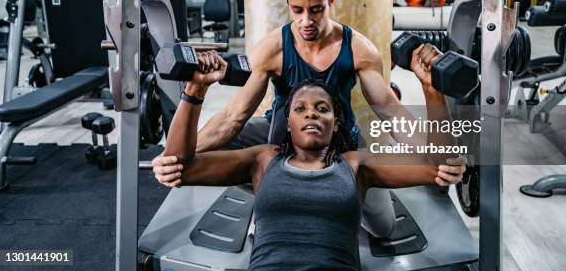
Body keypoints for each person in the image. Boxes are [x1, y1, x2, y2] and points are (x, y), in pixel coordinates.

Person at [153, 0, 457, 237]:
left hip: (341, 139)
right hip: (281, 136)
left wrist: (433, 155)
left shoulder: (359, 48)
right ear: (288, 1)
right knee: (210, 151)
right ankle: (276, 192)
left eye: (316, 9)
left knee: (384, 227)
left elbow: (389, 110)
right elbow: (234, 117)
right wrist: (175, 159)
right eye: (297, 10)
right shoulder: (273, 48)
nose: (306, 21)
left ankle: (309, 194)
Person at [161, 73, 465, 271]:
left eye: (322, 108)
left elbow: (436, 166)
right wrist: (195, 90)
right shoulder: (264, 160)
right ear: (287, 123)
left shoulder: (356, 165)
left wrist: (432, 90)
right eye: (300, 108)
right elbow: (181, 167)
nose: (311, 113)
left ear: (336, 123)